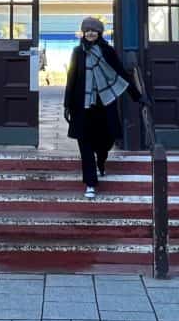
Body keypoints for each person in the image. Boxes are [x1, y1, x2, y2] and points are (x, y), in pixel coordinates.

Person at [63, 17, 149, 198]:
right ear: (83, 33)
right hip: (82, 105)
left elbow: (120, 74)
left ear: (99, 33)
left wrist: (137, 96)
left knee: (105, 141)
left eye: (93, 30)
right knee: (85, 144)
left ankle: (101, 162)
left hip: (104, 104)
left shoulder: (108, 51)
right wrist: (67, 104)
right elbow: (72, 77)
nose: (90, 33)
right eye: (87, 30)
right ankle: (90, 183)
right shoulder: (77, 52)